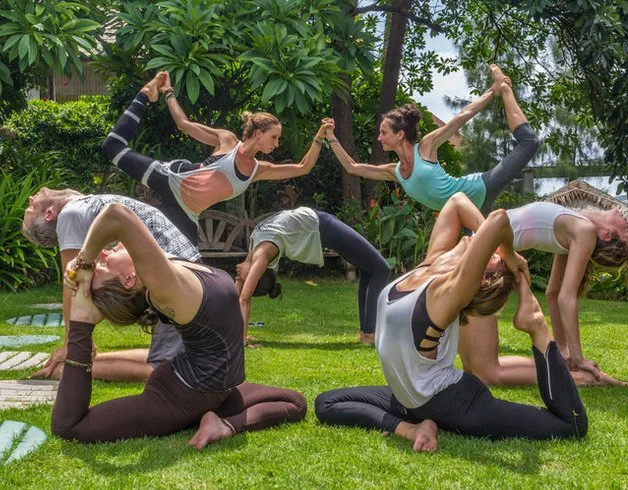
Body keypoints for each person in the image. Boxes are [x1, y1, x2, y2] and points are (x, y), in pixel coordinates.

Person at [315, 193, 588, 451]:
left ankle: (537, 326)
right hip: (409, 400)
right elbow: (456, 202)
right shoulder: (431, 264)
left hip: (455, 401)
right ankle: (412, 428)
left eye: (492, 257)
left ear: (481, 280)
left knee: (570, 425)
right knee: (326, 403)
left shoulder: (447, 294)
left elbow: (498, 220)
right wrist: (505, 254)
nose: (488, 248)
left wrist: (509, 255)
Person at [51, 202, 306, 446]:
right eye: (103, 264)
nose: (103, 253)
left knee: (296, 403)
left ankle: (220, 423)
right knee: (70, 427)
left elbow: (120, 217)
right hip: (179, 397)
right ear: (129, 279)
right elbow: (116, 215)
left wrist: (231, 423)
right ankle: (83, 320)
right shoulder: (164, 287)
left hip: (214, 389)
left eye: (100, 260)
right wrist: (83, 265)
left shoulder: (167, 266)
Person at [101, 71, 332, 244]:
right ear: (258, 133)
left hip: (187, 213)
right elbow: (183, 124)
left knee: (189, 269)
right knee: (112, 148)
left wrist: (319, 137)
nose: (277, 143)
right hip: (170, 178)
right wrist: (167, 92)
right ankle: (145, 93)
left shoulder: (258, 169)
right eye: (274, 137)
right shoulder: (227, 140)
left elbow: (303, 167)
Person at [22, 187, 200, 381]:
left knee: (165, 365)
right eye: (31, 208)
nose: (31, 198)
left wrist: (73, 349)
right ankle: (74, 366)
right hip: (178, 276)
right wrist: (72, 345)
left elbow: (74, 279)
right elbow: (73, 282)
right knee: (165, 363)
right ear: (49, 214)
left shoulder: (83, 206)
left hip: (174, 278)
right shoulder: (71, 214)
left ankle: (67, 369)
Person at [458, 198, 628, 386]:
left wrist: (576, 357)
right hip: (476, 258)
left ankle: (581, 377)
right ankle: (575, 375)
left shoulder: (584, 230)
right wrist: (563, 349)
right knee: (478, 371)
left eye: (627, 231)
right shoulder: (577, 223)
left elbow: (564, 297)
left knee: (481, 373)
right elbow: (553, 293)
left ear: (607, 234)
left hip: (479, 262)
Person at [326, 65, 539, 214]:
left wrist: (493, 91)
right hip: (466, 212)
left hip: (481, 187)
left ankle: (505, 90)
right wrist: (330, 137)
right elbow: (352, 167)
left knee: (530, 143)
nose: (379, 138)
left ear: (400, 134)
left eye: (383, 132)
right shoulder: (395, 172)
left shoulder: (426, 147)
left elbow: (462, 116)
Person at [235, 207, 390, 345]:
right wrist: (241, 341)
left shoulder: (254, 249)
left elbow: (236, 297)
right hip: (323, 226)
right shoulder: (262, 254)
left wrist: (238, 335)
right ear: (257, 274)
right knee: (381, 269)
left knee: (368, 270)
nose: (237, 276)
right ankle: (369, 333)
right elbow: (243, 300)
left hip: (320, 223)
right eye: (242, 279)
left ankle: (366, 332)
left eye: (239, 279)